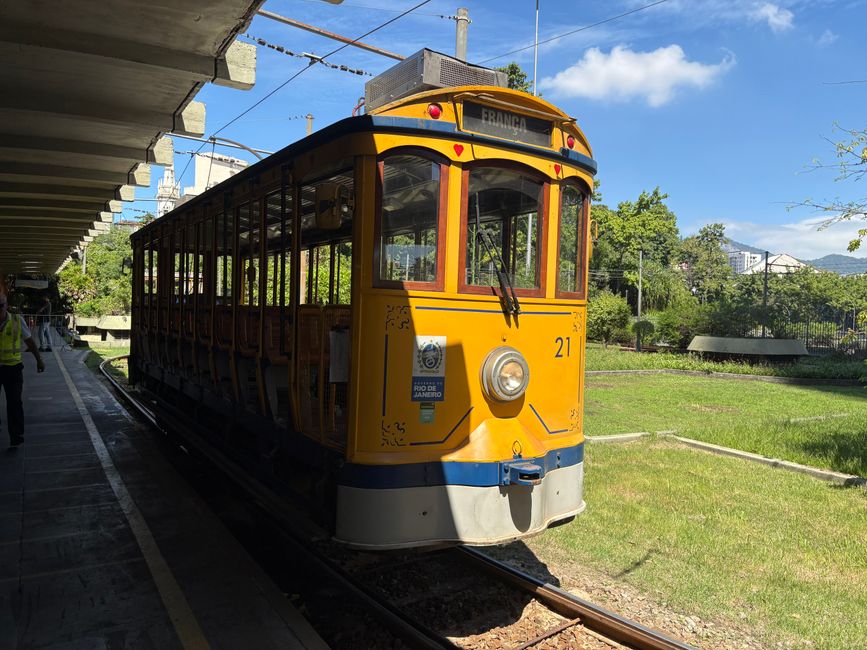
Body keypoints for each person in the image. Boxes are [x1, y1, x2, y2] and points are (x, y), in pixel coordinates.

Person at [0, 292, 45, 448]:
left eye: (1, 305)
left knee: (14, 403)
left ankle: (16, 435)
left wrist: (39, 360)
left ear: (6, 305)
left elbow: (30, 342)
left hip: (13, 369)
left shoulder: (17, 321)